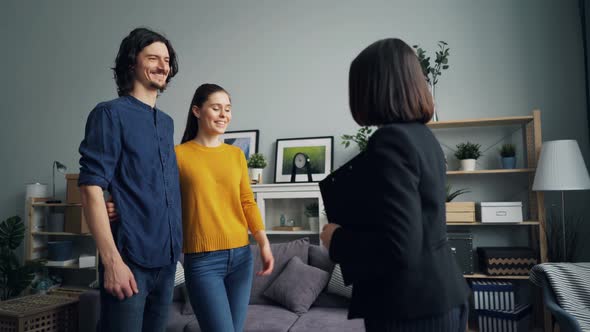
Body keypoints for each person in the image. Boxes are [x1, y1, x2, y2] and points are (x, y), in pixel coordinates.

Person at [319, 38, 470, 332]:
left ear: (372, 88)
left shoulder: (390, 142)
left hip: (411, 308)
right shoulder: (424, 138)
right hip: (441, 297)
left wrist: (336, 238)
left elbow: (399, 246)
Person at [78, 27, 182, 332]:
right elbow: (90, 188)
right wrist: (112, 262)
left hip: (167, 262)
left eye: (166, 59)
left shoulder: (166, 123)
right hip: (130, 261)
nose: (163, 66)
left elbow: (152, 187)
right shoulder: (109, 114)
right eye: (153, 58)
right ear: (130, 63)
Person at [177, 83, 274, 331]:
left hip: (242, 256)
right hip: (202, 260)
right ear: (197, 111)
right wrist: (116, 205)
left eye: (228, 109)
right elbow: (158, 198)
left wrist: (263, 243)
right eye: (216, 108)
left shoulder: (236, 155)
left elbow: (247, 201)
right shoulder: (177, 155)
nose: (224, 115)